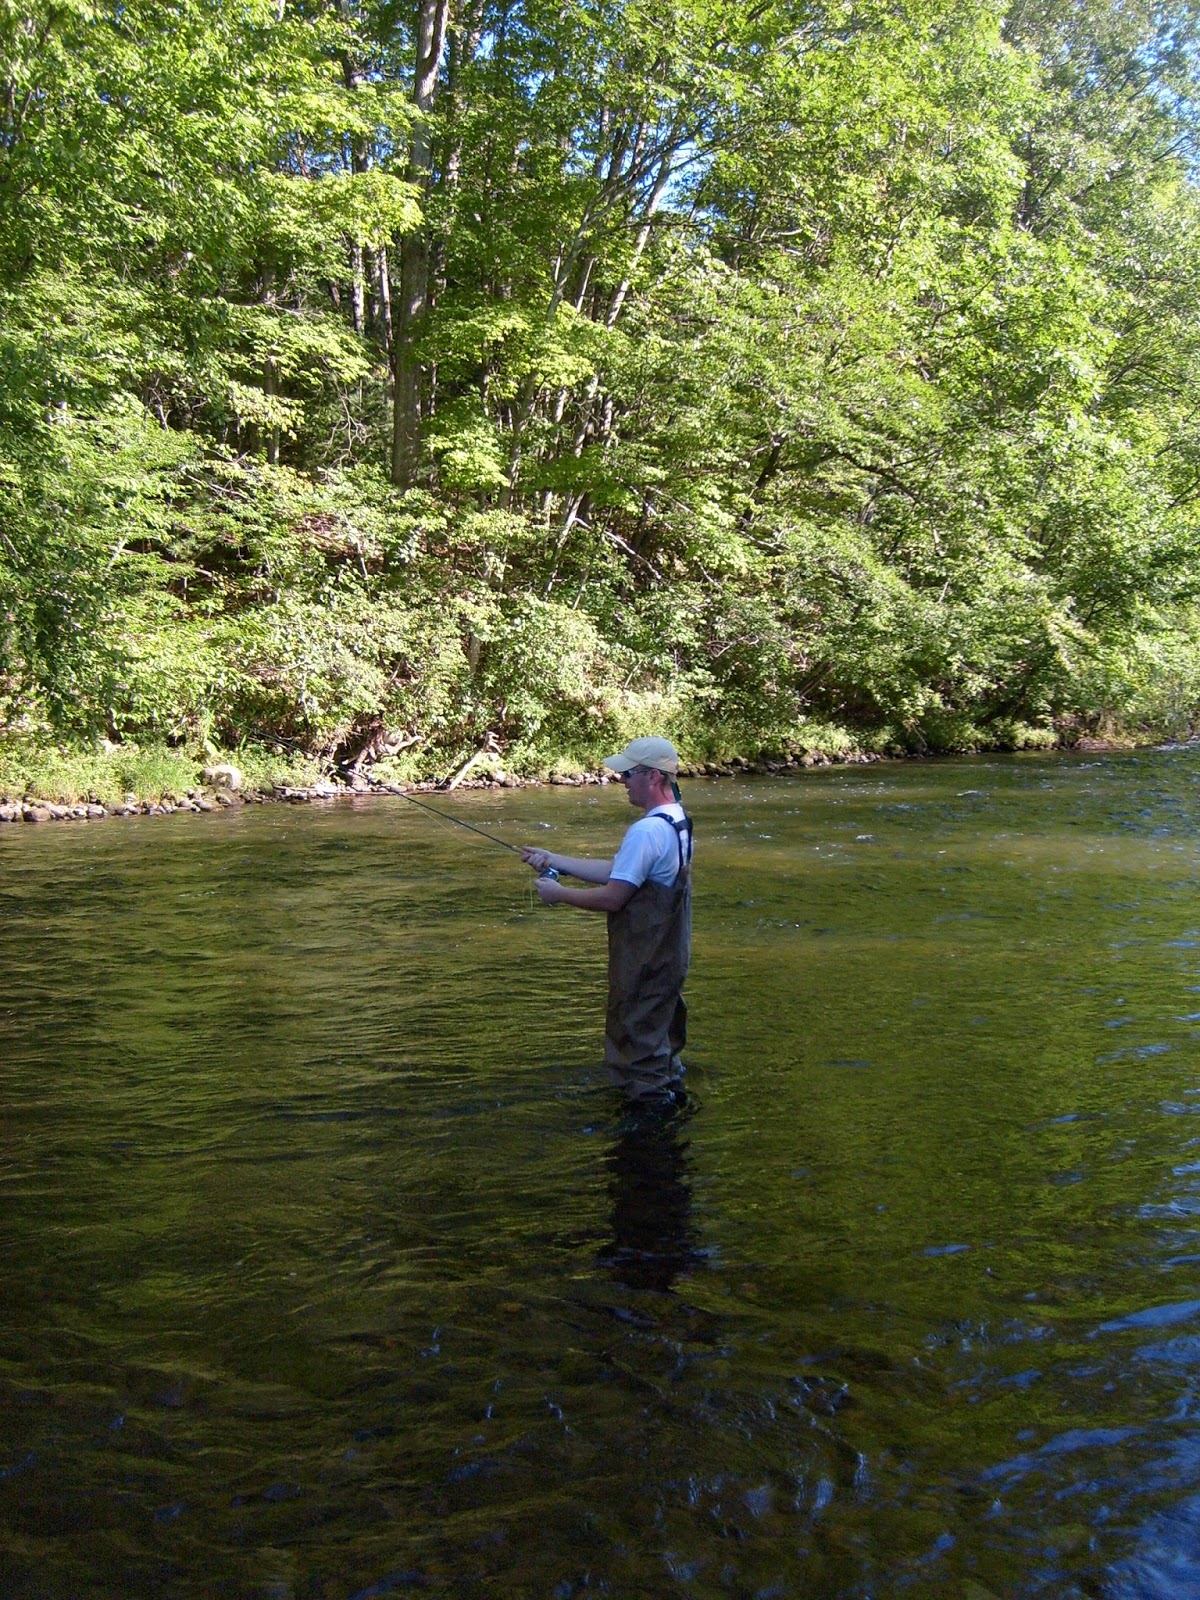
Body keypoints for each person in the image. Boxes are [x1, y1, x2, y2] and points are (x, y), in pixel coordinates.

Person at [520, 736, 694, 1099]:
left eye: (628, 774)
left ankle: (647, 1142)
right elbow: (620, 870)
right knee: (659, 1048)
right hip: (667, 960)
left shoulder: (647, 831)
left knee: (636, 1053)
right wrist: (555, 860)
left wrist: (558, 894)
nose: (622, 781)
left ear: (653, 777)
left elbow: (615, 897)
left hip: (645, 964)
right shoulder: (677, 821)